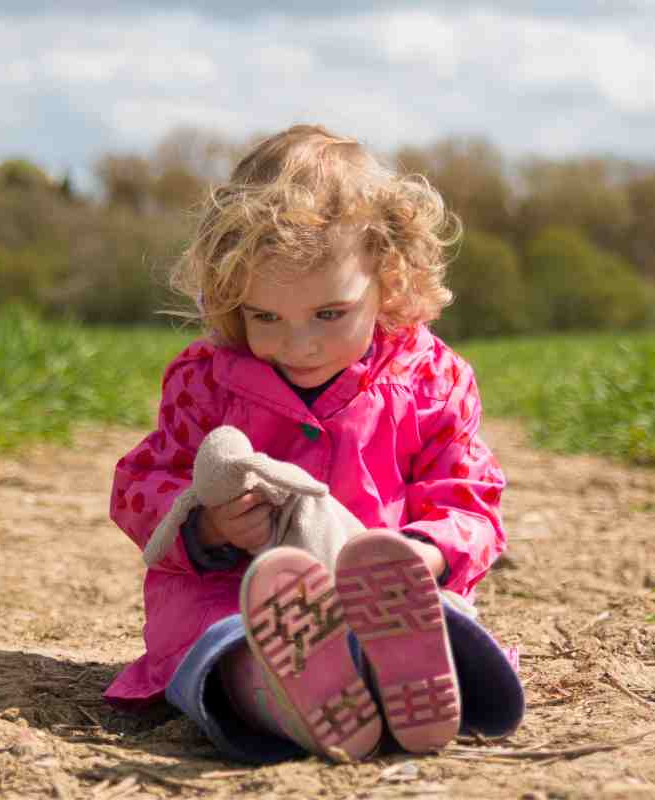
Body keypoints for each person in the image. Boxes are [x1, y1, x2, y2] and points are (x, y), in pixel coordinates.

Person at [105, 124, 524, 763]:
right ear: (230, 298)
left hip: (385, 596)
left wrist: (423, 555)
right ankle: (287, 702)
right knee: (227, 647)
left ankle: (406, 680)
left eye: (329, 314)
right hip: (240, 597)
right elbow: (142, 482)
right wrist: (210, 527)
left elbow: (469, 500)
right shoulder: (207, 379)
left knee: (439, 619)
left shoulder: (431, 380)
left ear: (391, 277)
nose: (298, 344)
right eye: (265, 317)